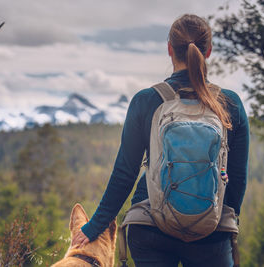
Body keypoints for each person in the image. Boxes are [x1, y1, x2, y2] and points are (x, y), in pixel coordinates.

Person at [72, 14, 249, 267]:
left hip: (150, 227)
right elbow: (237, 178)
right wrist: (221, 222)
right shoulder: (230, 104)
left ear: (169, 49)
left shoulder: (146, 101)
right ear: (208, 51)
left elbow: (125, 173)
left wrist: (93, 227)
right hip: (211, 235)